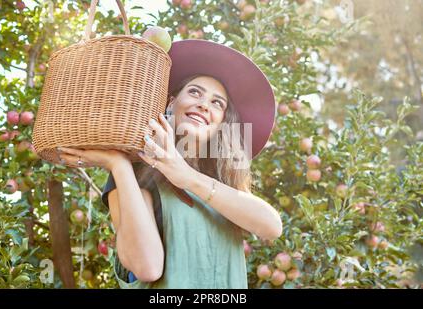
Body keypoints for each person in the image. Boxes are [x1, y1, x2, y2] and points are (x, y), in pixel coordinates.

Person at [56, 39, 282, 288]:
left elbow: (271, 227)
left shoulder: (222, 183)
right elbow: (147, 267)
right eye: (195, 92)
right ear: (171, 102)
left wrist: (186, 177)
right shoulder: (137, 171)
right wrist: (118, 164)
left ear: (221, 123)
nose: (204, 105)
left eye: (217, 103)